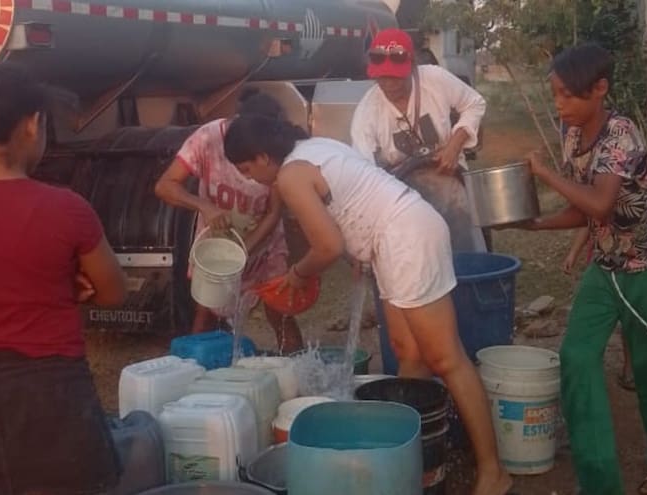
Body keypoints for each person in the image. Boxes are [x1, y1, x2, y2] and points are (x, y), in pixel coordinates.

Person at [222, 114, 514, 495]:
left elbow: (327, 246)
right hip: (396, 239)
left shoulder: (290, 175)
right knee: (408, 352)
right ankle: (402, 451)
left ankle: (493, 472)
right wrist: (357, 251)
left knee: (446, 358)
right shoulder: (315, 149)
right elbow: (353, 203)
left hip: (407, 237)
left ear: (262, 156)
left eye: (246, 168)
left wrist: (297, 274)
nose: (249, 177)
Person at [0, 62, 127, 494]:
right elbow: (113, 292)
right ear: (33, 125)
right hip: (51, 392)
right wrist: (67, 284)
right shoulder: (67, 209)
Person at [511, 43, 647, 495]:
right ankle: (598, 482)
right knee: (577, 357)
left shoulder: (621, 135)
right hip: (606, 266)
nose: (559, 104)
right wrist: (539, 224)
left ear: (600, 89)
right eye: (555, 94)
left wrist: (545, 174)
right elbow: (587, 212)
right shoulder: (573, 136)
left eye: (568, 95)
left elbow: (602, 203)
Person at [154, 90, 303, 353]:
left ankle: (298, 377)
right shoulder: (207, 139)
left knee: (280, 314)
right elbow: (164, 186)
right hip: (216, 247)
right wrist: (204, 206)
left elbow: (273, 212)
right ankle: (198, 376)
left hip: (264, 245)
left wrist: (245, 249)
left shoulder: (275, 153)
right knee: (207, 313)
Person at [350, 27, 489, 253]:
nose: (389, 85)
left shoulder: (434, 78)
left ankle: (470, 273)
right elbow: (361, 172)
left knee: (459, 218)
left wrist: (454, 146)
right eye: (382, 77)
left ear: (412, 65)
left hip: (449, 177)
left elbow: (475, 104)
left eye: (396, 76)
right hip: (398, 189)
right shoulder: (367, 111)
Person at [564, 228, 635, 391]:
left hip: (633, 267)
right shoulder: (598, 207)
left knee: (630, 320)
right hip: (603, 266)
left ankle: (629, 371)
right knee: (595, 323)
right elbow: (586, 223)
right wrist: (573, 253)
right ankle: (591, 370)